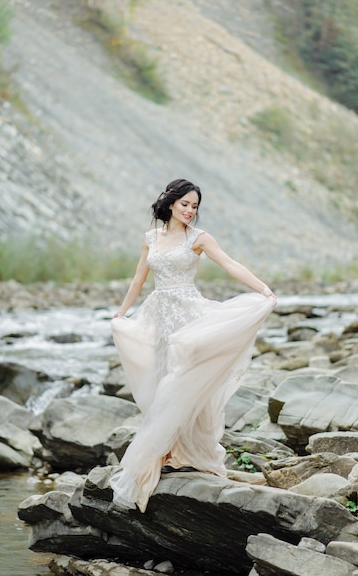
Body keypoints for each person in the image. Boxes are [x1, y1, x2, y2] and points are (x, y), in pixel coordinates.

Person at [110, 178, 276, 512]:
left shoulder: (198, 239)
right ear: (171, 203)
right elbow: (139, 278)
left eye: (195, 206)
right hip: (159, 317)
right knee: (161, 383)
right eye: (185, 204)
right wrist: (122, 313)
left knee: (184, 382)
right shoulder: (150, 239)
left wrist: (263, 289)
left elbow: (229, 264)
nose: (190, 211)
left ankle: (182, 450)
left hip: (190, 317)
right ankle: (170, 451)